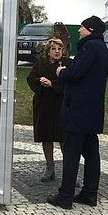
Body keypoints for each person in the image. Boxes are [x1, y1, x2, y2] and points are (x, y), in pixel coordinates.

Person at [47, 16, 108, 209]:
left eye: (82, 27)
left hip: (79, 110)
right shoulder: (101, 48)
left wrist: (61, 73)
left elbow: (76, 73)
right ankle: (89, 194)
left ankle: (65, 195)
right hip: (92, 110)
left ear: (90, 29)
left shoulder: (89, 48)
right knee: (91, 153)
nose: (80, 30)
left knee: (72, 153)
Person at [26, 38, 72, 182]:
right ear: (48, 51)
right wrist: (40, 82)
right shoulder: (41, 63)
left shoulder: (68, 63)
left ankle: (70, 172)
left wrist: (53, 84)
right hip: (44, 105)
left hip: (61, 105)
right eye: (53, 49)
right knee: (46, 136)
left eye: (59, 49)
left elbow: (71, 81)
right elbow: (30, 78)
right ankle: (49, 168)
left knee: (64, 138)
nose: (57, 52)